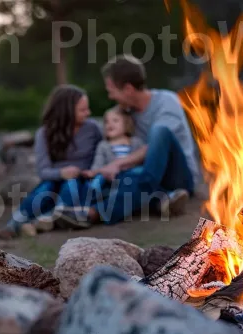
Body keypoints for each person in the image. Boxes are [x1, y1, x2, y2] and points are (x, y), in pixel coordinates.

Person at [55, 55, 201, 229]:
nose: (110, 96)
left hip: (178, 177)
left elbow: (154, 148)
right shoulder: (126, 114)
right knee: (130, 176)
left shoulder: (166, 101)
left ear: (128, 89)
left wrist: (117, 164)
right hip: (146, 177)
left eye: (112, 91)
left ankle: (94, 213)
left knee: (159, 132)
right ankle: (160, 201)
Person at [0, 84, 102, 239]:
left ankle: (43, 221)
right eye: (83, 110)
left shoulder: (93, 129)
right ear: (66, 111)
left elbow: (103, 153)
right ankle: (15, 224)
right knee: (45, 188)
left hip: (82, 180)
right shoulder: (44, 134)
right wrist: (61, 173)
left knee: (70, 185)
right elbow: (43, 171)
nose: (88, 113)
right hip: (54, 180)